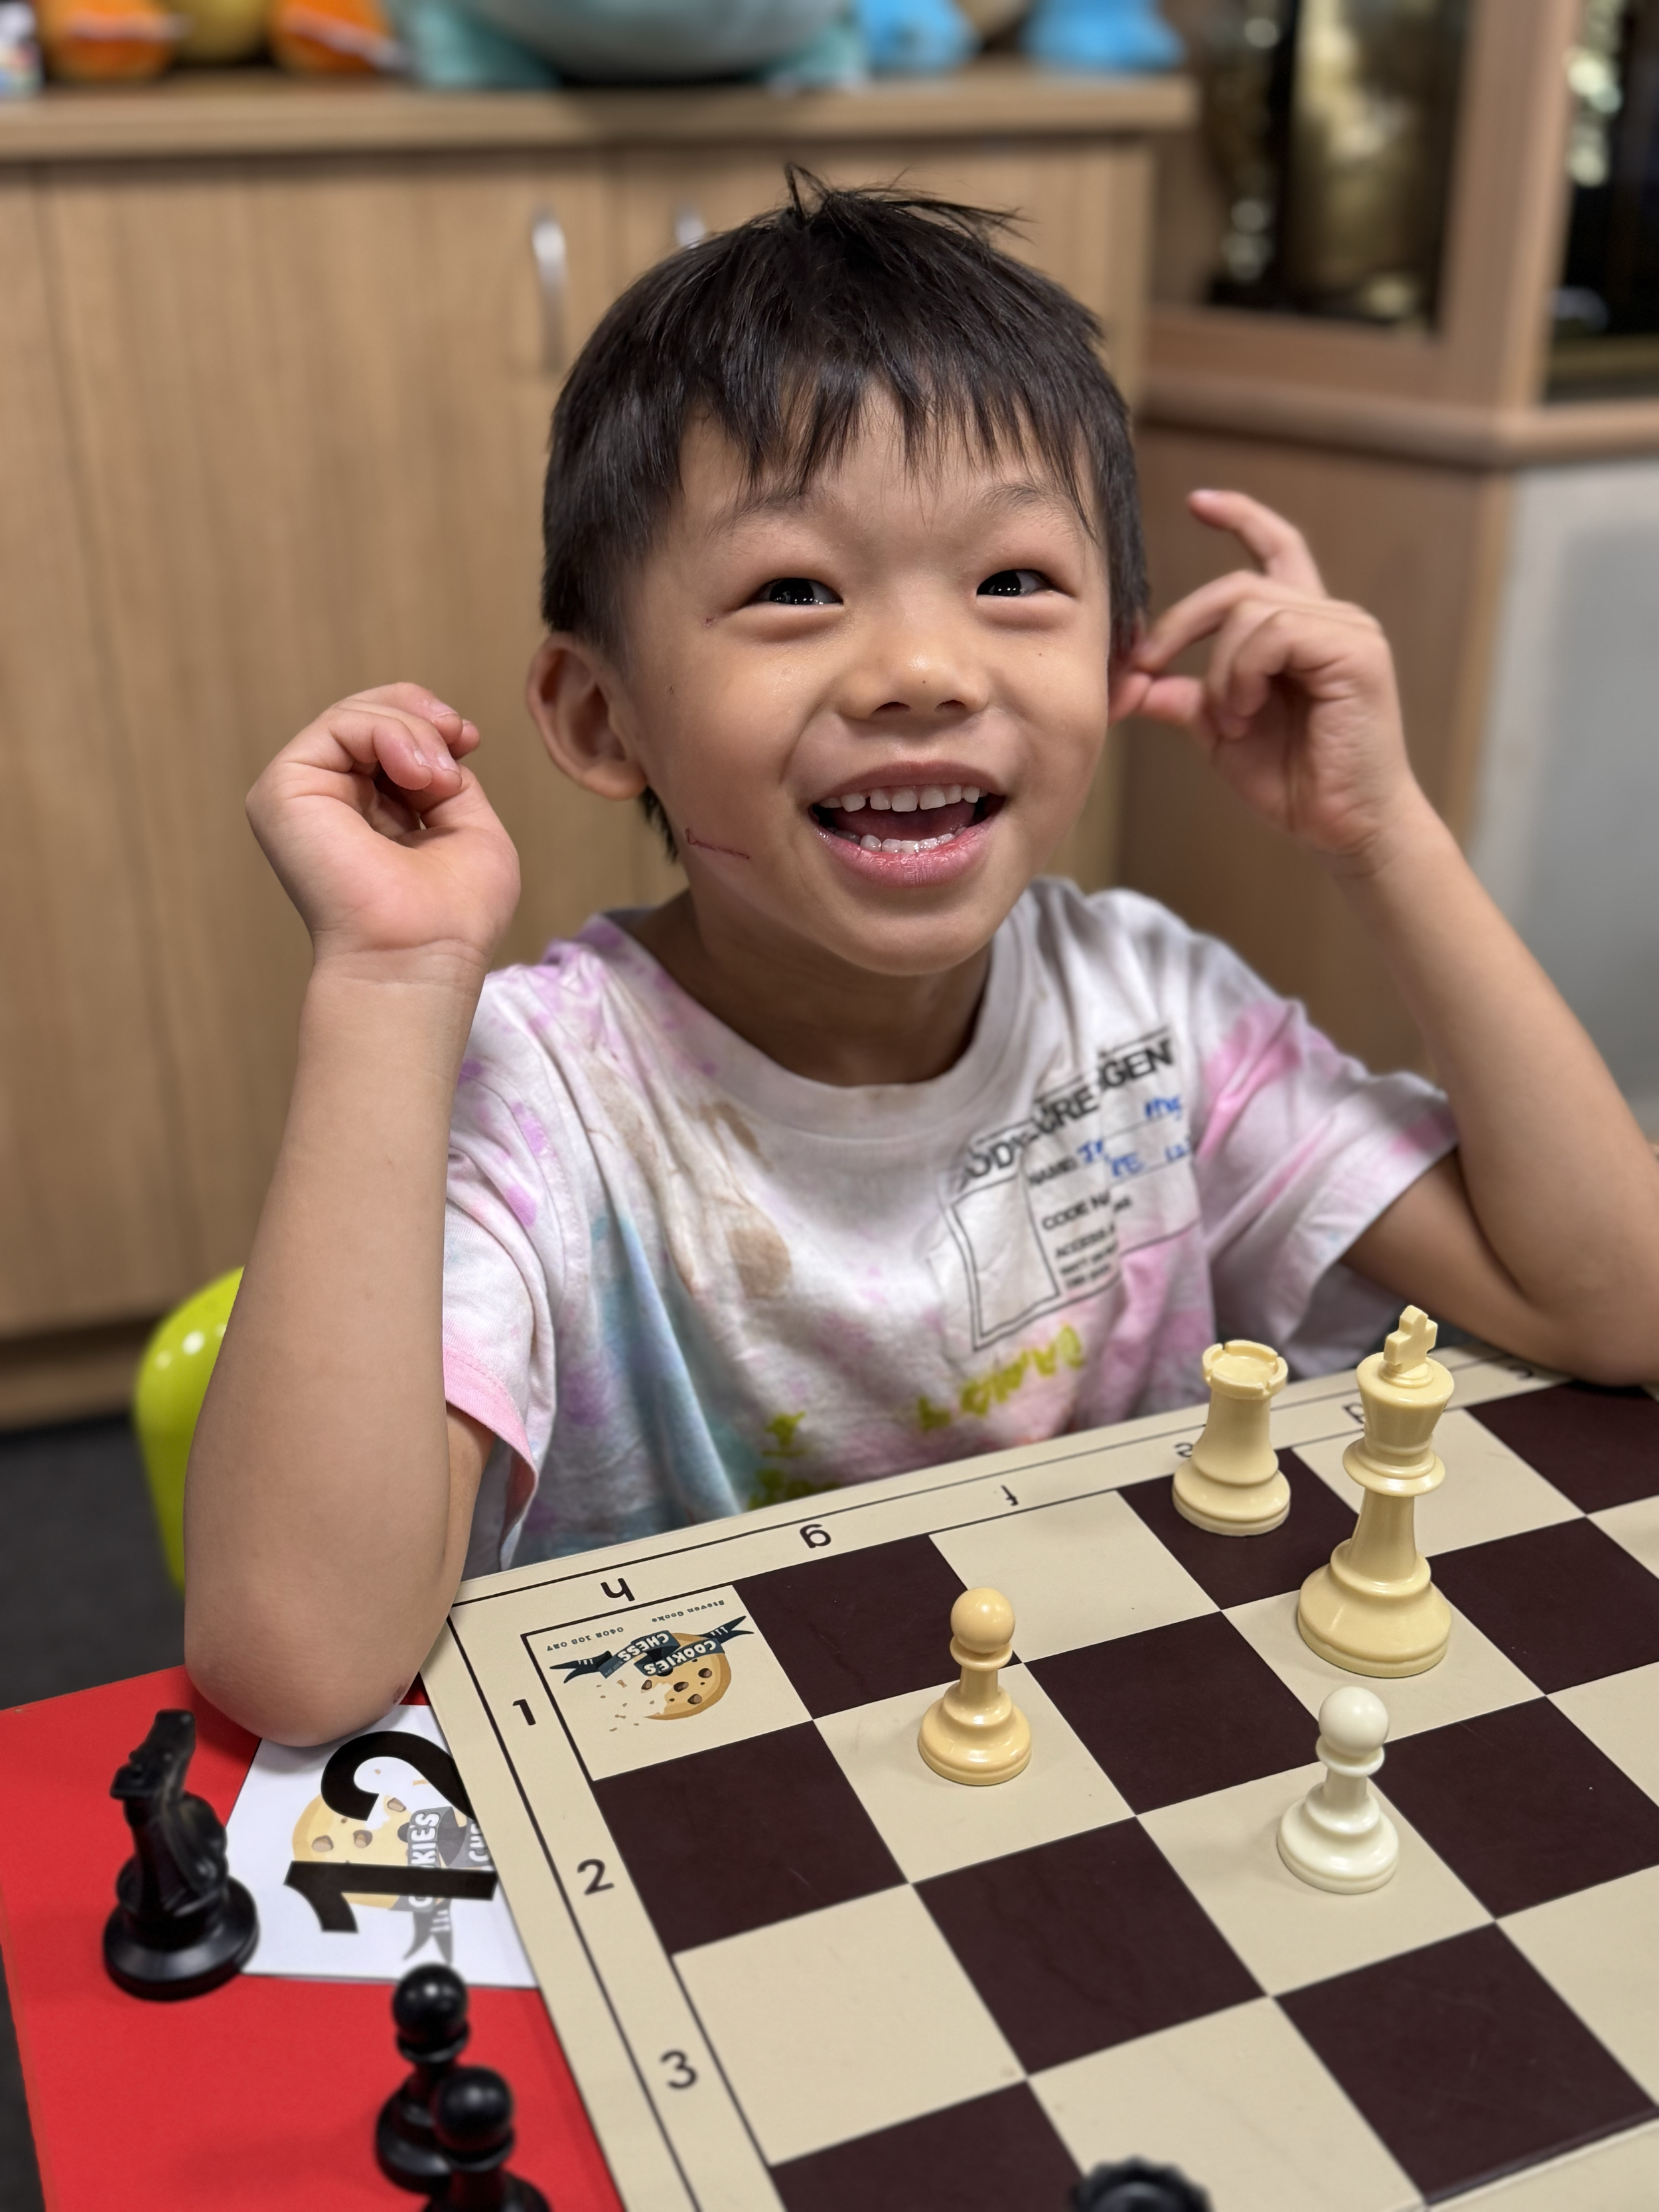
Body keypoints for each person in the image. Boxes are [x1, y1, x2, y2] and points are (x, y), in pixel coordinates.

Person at [186, 179, 1659, 1744]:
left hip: (1113, 1742)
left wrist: (1386, 835)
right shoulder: (543, 1094)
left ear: (1115, 662)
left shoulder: (1149, 1015)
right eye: (792, 590)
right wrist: (390, 982)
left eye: (1012, 581)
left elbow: (1613, 1309)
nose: (922, 671)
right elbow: (302, 1658)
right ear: (600, 718)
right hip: (713, 1793)